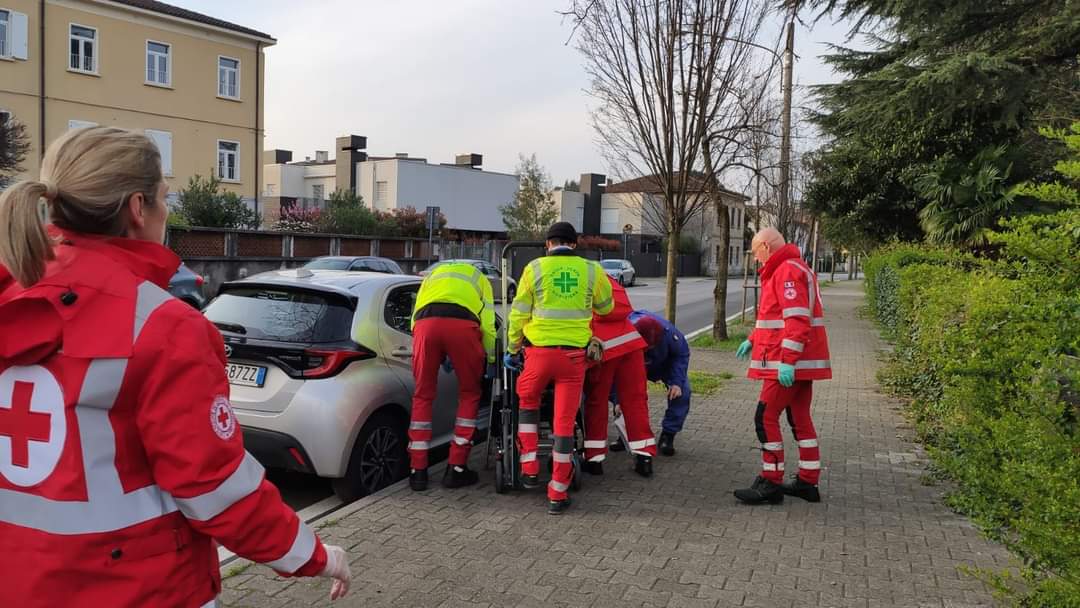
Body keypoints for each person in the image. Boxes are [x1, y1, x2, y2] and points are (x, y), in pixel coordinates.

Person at [0, 127, 351, 607]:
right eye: (165, 198)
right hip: (140, 589)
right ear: (138, 207)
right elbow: (216, 489)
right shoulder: (162, 326)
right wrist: (314, 555)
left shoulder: (11, 296)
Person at [504, 222, 613, 514]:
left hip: (538, 354)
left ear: (548, 244)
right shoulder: (592, 270)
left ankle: (528, 469)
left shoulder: (534, 268)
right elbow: (605, 307)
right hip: (573, 359)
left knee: (527, 403)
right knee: (564, 423)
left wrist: (513, 348)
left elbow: (518, 314)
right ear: (575, 244)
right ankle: (557, 494)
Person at [734, 227, 831, 505]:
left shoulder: (786, 271)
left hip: (787, 362)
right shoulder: (794, 267)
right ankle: (807, 482)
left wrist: (787, 362)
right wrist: (753, 339)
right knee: (800, 419)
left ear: (765, 246)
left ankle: (771, 482)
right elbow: (776, 316)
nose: (755, 259)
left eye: (755, 252)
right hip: (802, 361)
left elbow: (796, 320)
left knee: (765, 417)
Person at [408, 261, 496, 490]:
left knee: (422, 395)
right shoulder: (479, 278)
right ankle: (456, 468)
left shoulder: (431, 277)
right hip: (463, 326)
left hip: (425, 325)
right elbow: (487, 322)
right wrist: (492, 358)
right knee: (469, 394)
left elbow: (413, 318)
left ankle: (417, 471)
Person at [582, 275, 656, 477]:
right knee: (636, 401)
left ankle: (594, 459)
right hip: (631, 343)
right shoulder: (606, 279)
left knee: (596, 402)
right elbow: (623, 307)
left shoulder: (574, 279)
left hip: (602, 346)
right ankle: (644, 457)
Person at [613, 311, 691, 456]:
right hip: (633, 364)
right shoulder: (624, 334)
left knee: (683, 393)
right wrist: (618, 399)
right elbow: (617, 371)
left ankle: (668, 435)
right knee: (628, 399)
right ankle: (625, 434)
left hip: (664, 364)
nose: (647, 350)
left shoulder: (670, 334)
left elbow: (681, 355)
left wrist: (676, 383)